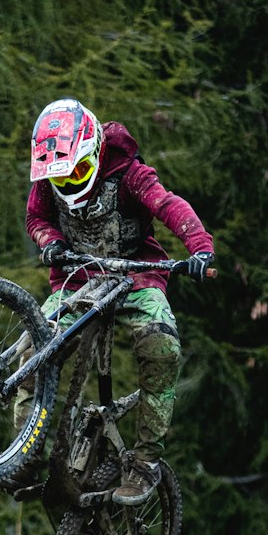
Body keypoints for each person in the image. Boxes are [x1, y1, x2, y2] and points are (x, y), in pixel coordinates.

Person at [24, 96, 214, 505]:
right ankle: (23, 452)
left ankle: (145, 461)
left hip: (137, 274)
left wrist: (199, 247)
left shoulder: (129, 173)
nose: (70, 180)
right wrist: (51, 242)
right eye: (62, 175)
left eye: (77, 170)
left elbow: (167, 204)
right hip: (76, 280)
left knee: (161, 347)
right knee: (30, 351)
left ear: (93, 150)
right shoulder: (49, 176)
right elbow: (36, 219)